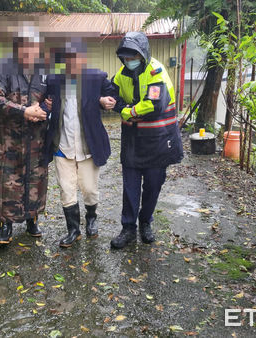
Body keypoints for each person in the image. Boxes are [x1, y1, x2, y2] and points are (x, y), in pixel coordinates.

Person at [107, 31, 184, 249]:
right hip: (132, 142)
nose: (129, 61)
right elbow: (112, 94)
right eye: (126, 57)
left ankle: (145, 222)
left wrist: (126, 112)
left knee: (153, 185)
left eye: (134, 56)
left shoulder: (156, 72)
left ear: (143, 55)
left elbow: (154, 105)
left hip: (158, 141)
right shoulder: (122, 73)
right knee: (130, 187)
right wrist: (110, 101)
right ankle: (128, 228)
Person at [43, 39, 116, 248]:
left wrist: (105, 101)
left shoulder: (97, 77)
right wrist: (45, 104)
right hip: (62, 145)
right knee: (67, 190)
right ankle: (73, 230)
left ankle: (91, 219)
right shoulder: (54, 80)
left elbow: (113, 96)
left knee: (90, 189)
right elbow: (42, 100)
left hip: (88, 145)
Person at [0, 25, 52, 245]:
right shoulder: (2, 67)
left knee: (35, 182)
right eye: (25, 46)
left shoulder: (43, 69)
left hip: (35, 142)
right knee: (6, 183)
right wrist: (24, 111)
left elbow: (52, 97)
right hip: (7, 142)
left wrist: (43, 109)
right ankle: (5, 225)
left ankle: (32, 219)